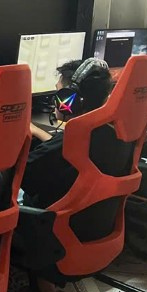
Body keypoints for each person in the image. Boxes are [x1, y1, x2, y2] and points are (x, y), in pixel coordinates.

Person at [23, 59, 113, 208]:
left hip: (43, 217)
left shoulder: (64, 145)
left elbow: (21, 177)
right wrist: (37, 131)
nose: (54, 100)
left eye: (58, 93)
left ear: (69, 100)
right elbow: (62, 147)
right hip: (89, 215)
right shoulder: (110, 133)